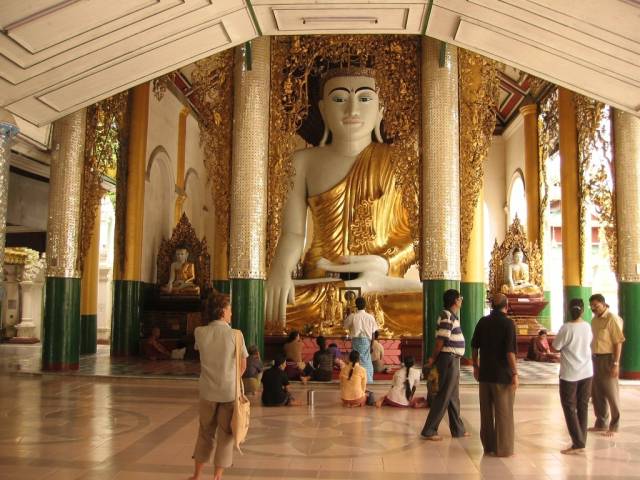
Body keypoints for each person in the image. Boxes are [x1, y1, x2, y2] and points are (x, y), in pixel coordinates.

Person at [265, 68, 421, 331]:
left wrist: (384, 263)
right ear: (324, 109)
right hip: (321, 282)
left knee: (425, 303)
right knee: (265, 302)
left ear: (381, 109)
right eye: (339, 99)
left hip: (380, 282)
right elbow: (293, 234)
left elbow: (417, 237)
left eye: (364, 98)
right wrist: (279, 271)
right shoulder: (302, 161)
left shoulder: (399, 161)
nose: (352, 110)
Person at [190, 294, 247, 480]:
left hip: (207, 390)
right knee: (226, 434)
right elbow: (243, 365)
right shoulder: (235, 335)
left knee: (205, 432)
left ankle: (197, 475)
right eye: (230, 309)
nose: (231, 313)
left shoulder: (199, 332)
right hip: (229, 392)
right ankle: (217, 477)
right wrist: (230, 377)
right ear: (222, 311)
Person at [471, 293, 518, 457]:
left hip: (485, 374)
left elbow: (474, 347)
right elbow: (510, 352)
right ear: (507, 304)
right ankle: (503, 449)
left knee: (486, 412)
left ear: (491, 305)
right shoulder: (508, 323)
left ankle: (489, 446)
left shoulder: (483, 322)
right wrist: (515, 373)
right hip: (502, 375)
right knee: (503, 412)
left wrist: (476, 367)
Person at [420, 289, 469, 441]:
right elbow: (440, 341)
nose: (461, 300)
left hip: (453, 359)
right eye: (460, 298)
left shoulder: (452, 316)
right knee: (443, 396)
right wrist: (432, 359)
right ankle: (429, 430)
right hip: (448, 359)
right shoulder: (446, 315)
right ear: (455, 300)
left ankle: (458, 430)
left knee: (453, 397)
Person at [552, 299, 593, 454]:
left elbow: (555, 347)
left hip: (570, 373)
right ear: (582, 311)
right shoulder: (587, 327)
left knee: (569, 407)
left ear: (568, 310)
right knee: (582, 405)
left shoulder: (566, 328)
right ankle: (581, 440)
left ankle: (578, 442)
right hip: (587, 371)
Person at [588, 293, 625, 437]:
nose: (594, 309)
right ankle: (601, 422)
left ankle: (615, 425)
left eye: (596, 306)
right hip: (595, 359)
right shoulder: (594, 321)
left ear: (603, 304)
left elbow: (618, 342)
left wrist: (616, 363)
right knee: (597, 393)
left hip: (608, 359)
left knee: (611, 393)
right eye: (591, 306)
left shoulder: (612, 319)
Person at [344, 297, 379, 383]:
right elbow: (373, 333)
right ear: (365, 305)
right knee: (366, 361)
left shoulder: (353, 316)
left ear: (356, 305)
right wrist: (371, 345)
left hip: (356, 341)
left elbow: (345, 326)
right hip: (367, 342)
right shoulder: (370, 317)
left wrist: (348, 314)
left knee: (356, 361)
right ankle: (368, 380)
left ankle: (357, 379)